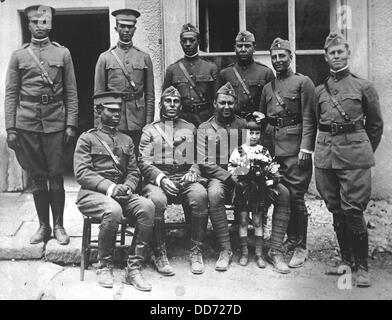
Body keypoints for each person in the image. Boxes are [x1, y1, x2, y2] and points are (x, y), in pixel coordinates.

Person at [188, 82, 291, 273]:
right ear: (214, 104)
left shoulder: (244, 124)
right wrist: (230, 177)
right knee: (214, 193)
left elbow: (262, 146)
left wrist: (262, 173)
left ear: (235, 104)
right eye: (222, 103)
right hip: (221, 177)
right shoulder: (205, 128)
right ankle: (225, 250)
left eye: (230, 103)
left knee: (283, 193)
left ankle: (275, 250)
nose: (226, 107)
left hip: (251, 177)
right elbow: (205, 162)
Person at [311, 32, 383, 287]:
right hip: (327, 157)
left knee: (353, 211)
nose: (337, 56)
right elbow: (316, 122)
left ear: (347, 53)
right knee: (336, 210)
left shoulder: (363, 87)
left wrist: (362, 150)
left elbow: (375, 125)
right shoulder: (320, 90)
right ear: (326, 57)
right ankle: (346, 262)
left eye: (340, 52)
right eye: (332, 53)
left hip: (355, 157)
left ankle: (362, 267)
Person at [4, 5, 78, 245]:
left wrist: (71, 124)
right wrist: (11, 129)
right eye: (35, 22)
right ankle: (43, 226)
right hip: (27, 124)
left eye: (43, 22)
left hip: (56, 123)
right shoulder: (19, 56)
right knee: (37, 177)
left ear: (50, 24)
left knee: (56, 176)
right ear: (29, 25)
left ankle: (59, 225)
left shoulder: (62, 54)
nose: (39, 26)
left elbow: (71, 92)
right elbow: (11, 94)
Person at [74, 91, 155, 291]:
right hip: (93, 195)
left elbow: (135, 171)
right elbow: (82, 172)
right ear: (99, 111)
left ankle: (133, 269)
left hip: (122, 193)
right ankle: (104, 265)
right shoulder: (87, 139)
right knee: (113, 210)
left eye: (119, 110)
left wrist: (127, 186)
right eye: (112, 111)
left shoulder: (126, 140)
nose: (117, 114)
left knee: (148, 207)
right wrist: (110, 188)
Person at [138, 86, 209, 275]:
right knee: (157, 201)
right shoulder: (150, 130)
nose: (172, 105)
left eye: (176, 101)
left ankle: (196, 251)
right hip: (158, 179)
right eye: (168, 101)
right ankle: (159, 253)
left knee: (200, 195)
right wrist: (160, 179)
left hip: (184, 177)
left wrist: (193, 171)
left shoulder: (189, 128)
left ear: (180, 105)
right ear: (161, 105)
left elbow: (197, 157)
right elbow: (143, 162)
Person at [259, 38, 316, 268]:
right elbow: (263, 121)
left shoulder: (303, 82)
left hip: (295, 150)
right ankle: (289, 237)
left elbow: (310, 118)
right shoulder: (267, 88)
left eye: (282, 56)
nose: (278, 61)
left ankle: (301, 245)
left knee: (297, 197)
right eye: (274, 57)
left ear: (290, 57)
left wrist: (306, 148)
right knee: (281, 196)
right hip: (274, 150)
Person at [218, 30, 275, 238]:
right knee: (239, 174)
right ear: (234, 48)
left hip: (255, 131)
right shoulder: (225, 73)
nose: (243, 49)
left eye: (247, 46)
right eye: (239, 46)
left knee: (259, 174)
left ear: (254, 48)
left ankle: (262, 220)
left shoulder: (265, 73)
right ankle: (239, 220)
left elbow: (270, 105)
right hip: (234, 129)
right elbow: (219, 101)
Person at [94, 8, 154, 152]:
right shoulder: (105, 58)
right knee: (117, 157)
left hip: (138, 119)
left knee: (138, 158)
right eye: (122, 26)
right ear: (116, 28)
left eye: (130, 27)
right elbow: (98, 96)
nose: (126, 30)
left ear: (134, 29)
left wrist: (148, 123)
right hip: (114, 118)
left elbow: (150, 94)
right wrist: (98, 124)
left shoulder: (144, 57)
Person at [228, 114, 282, 268]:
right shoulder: (239, 151)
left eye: (257, 133)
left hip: (259, 191)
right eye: (250, 133)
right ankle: (244, 253)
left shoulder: (263, 151)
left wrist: (270, 178)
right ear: (244, 134)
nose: (253, 136)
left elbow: (272, 168)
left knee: (258, 221)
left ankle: (259, 254)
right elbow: (231, 169)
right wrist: (241, 171)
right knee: (243, 220)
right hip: (243, 190)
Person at [162, 23, 218, 127]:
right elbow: (164, 103)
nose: (188, 44)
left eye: (192, 40)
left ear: (198, 42)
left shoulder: (211, 68)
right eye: (184, 41)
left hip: (205, 118)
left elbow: (217, 100)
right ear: (180, 43)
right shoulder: (172, 69)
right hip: (181, 119)